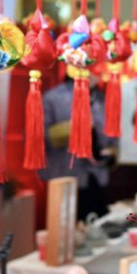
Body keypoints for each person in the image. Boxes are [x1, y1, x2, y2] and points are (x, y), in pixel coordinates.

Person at [41, 75, 118, 220]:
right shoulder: (53, 98)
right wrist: (76, 127)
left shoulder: (102, 99)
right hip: (65, 176)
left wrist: (111, 154)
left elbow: (113, 139)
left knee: (98, 229)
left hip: (97, 177)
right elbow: (39, 137)